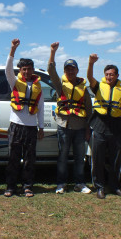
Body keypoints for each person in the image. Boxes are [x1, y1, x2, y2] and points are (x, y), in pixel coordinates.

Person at [47, 42, 92, 194]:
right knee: (63, 157)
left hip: (80, 127)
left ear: (77, 70)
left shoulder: (83, 88)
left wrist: (88, 129)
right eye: (67, 69)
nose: (70, 71)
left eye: (73, 69)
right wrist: (53, 52)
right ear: (64, 71)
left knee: (80, 157)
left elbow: (88, 109)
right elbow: (51, 70)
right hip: (64, 126)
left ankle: (80, 183)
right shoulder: (60, 86)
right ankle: (61, 184)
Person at [4, 39, 44, 197]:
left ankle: (27, 186)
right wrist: (12, 50)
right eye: (24, 69)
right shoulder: (14, 81)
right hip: (16, 126)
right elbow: (8, 69)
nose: (26, 72)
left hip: (31, 127)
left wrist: (41, 127)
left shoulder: (38, 86)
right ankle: (11, 186)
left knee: (29, 158)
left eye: (29, 69)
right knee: (13, 158)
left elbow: (40, 108)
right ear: (20, 70)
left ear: (33, 70)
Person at [87, 54, 121, 199]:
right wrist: (91, 63)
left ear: (117, 75)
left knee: (116, 160)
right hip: (100, 126)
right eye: (107, 74)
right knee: (98, 159)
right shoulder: (98, 86)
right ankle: (99, 187)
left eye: (112, 74)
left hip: (115, 128)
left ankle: (115, 186)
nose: (109, 77)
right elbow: (90, 77)